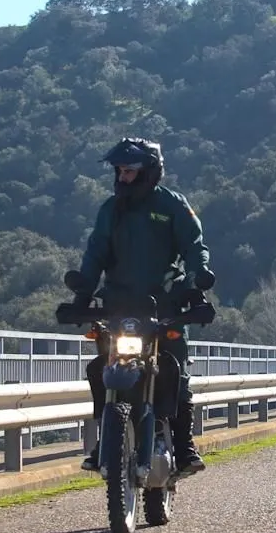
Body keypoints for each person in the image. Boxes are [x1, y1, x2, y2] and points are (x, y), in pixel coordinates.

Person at [67, 137, 216, 476]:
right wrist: (81, 295)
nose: (123, 176)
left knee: (177, 372)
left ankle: (184, 447)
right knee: (102, 369)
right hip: (119, 304)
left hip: (165, 303)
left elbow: (194, 247)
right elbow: (95, 254)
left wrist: (198, 278)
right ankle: (105, 443)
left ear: (149, 171)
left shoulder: (173, 205)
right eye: (120, 170)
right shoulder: (111, 209)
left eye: (130, 170)